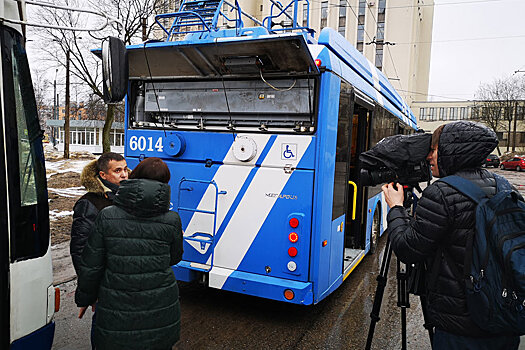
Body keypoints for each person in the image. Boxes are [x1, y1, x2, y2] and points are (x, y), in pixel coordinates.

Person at [382, 121, 520, 350]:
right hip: (504, 318)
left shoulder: (441, 193)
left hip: (460, 329)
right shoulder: (504, 185)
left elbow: (407, 249)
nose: (429, 157)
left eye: (434, 150)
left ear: (451, 151)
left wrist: (396, 208)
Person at [75, 157, 183, 350]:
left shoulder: (108, 215)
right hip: (160, 302)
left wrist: (85, 298)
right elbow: (174, 258)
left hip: (117, 302)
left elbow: (92, 264)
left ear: (135, 176)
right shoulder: (172, 219)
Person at [70, 152, 128, 349]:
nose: (124, 175)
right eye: (117, 170)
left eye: (125, 169)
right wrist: (90, 292)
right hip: (105, 286)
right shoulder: (90, 203)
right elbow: (80, 251)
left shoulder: (128, 197)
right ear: (103, 175)